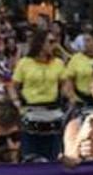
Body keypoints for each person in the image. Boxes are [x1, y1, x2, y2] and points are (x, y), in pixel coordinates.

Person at [10, 28, 66, 160]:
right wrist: (16, 102)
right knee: (30, 157)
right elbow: (13, 86)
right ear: (40, 43)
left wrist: (72, 98)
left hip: (52, 110)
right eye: (51, 42)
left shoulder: (58, 63)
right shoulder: (24, 63)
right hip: (30, 110)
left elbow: (65, 85)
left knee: (53, 156)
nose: (55, 45)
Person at [61, 33, 93, 108]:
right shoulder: (76, 58)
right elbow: (68, 80)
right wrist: (72, 96)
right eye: (84, 41)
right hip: (81, 99)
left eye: (88, 40)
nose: (85, 43)